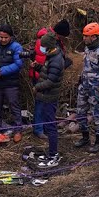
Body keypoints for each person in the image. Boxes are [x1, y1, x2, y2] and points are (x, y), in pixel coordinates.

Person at [75, 22, 99, 153]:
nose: (84, 38)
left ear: (94, 37)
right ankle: (85, 137)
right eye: (84, 35)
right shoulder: (87, 48)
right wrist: (80, 80)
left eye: (86, 36)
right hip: (84, 87)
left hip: (96, 90)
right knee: (80, 112)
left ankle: (98, 142)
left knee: (98, 116)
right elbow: (86, 66)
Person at [0, 25, 26, 140]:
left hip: (11, 83)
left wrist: (2, 71)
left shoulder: (16, 47)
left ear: (10, 37)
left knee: (14, 105)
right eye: (1, 37)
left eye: (5, 37)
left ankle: (18, 129)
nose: (3, 39)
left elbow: (18, 64)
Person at [33, 32, 67, 168]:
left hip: (49, 96)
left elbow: (51, 80)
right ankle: (51, 151)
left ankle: (53, 154)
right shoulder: (52, 57)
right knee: (48, 124)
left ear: (48, 46)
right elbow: (48, 71)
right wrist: (38, 67)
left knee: (50, 126)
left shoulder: (56, 60)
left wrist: (37, 87)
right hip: (46, 95)